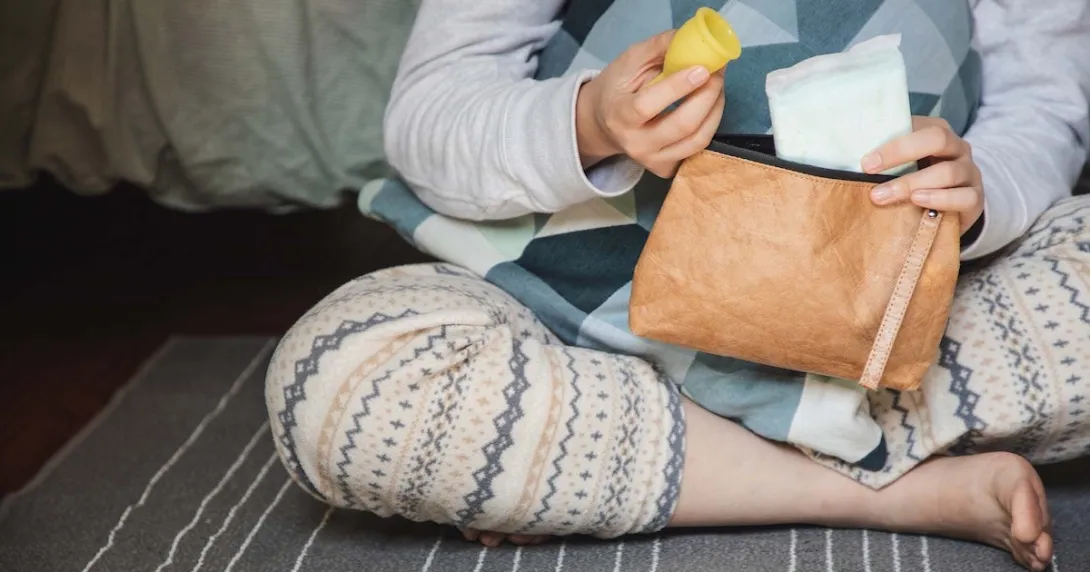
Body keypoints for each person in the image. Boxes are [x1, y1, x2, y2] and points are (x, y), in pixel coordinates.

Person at [264, 1, 1090, 570]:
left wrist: (979, 188)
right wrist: (589, 122)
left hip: (872, 336)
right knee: (340, 382)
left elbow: (1045, 109)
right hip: (562, 311)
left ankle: (599, 465)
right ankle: (878, 488)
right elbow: (427, 115)